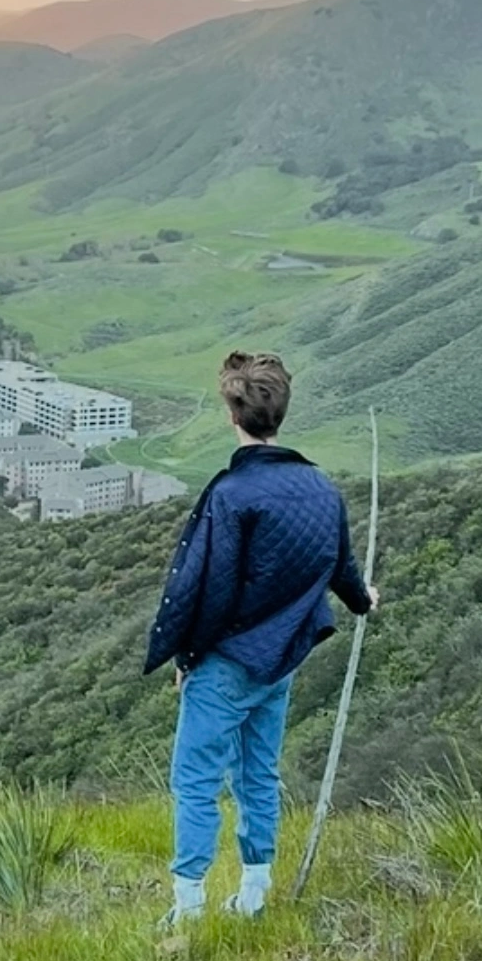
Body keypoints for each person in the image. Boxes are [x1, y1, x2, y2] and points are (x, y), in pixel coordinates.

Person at [144, 351, 377, 925]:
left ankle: (189, 907)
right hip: (282, 660)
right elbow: (340, 567)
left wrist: (186, 654)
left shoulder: (231, 493)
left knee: (195, 779)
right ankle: (252, 897)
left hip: (226, 661)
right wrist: (364, 601)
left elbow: (208, 588)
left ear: (234, 415)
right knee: (258, 774)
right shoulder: (322, 487)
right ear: (280, 414)